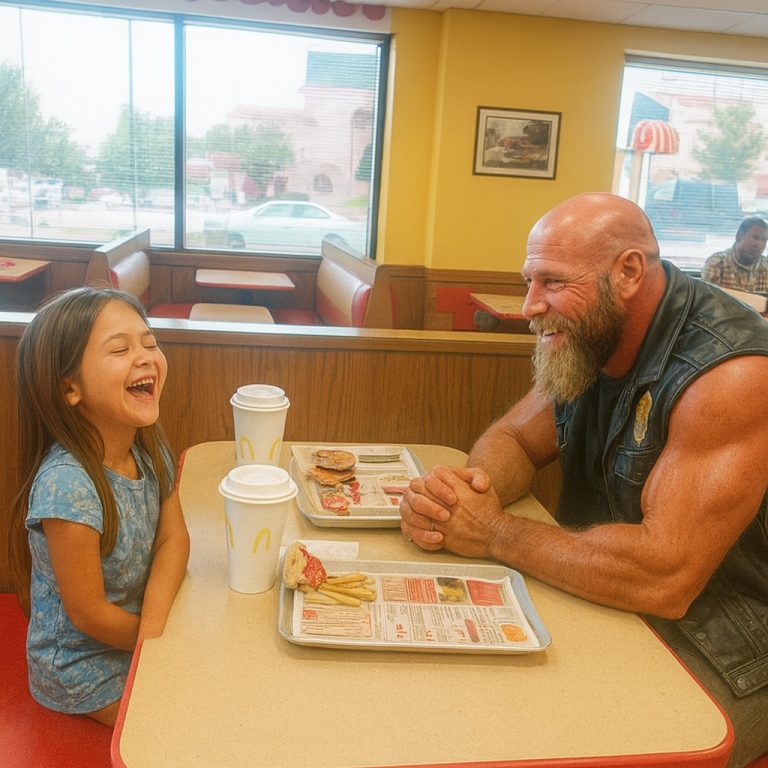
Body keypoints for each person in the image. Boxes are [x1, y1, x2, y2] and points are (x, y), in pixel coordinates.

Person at [400, 193, 768, 768]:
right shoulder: (591, 332)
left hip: (737, 639)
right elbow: (514, 439)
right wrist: (465, 496)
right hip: (607, 594)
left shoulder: (732, 375)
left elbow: (664, 576)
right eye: (528, 281)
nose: (528, 306)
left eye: (551, 282)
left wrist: (495, 533)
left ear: (627, 272)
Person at [7, 287, 190, 727]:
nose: (146, 356)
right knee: (184, 724)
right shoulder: (67, 487)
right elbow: (88, 613)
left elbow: (173, 538)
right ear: (70, 387)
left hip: (142, 630)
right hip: (82, 668)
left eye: (149, 343)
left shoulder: (148, 446)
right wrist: (159, 640)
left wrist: (158, 625)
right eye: (121, 348)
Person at [702, 216, 768, 293]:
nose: (758, 244)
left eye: (764, 240)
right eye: (755, 237)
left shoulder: (766, 266)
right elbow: (707, 302)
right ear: (739, 236)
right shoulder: (717, 264)